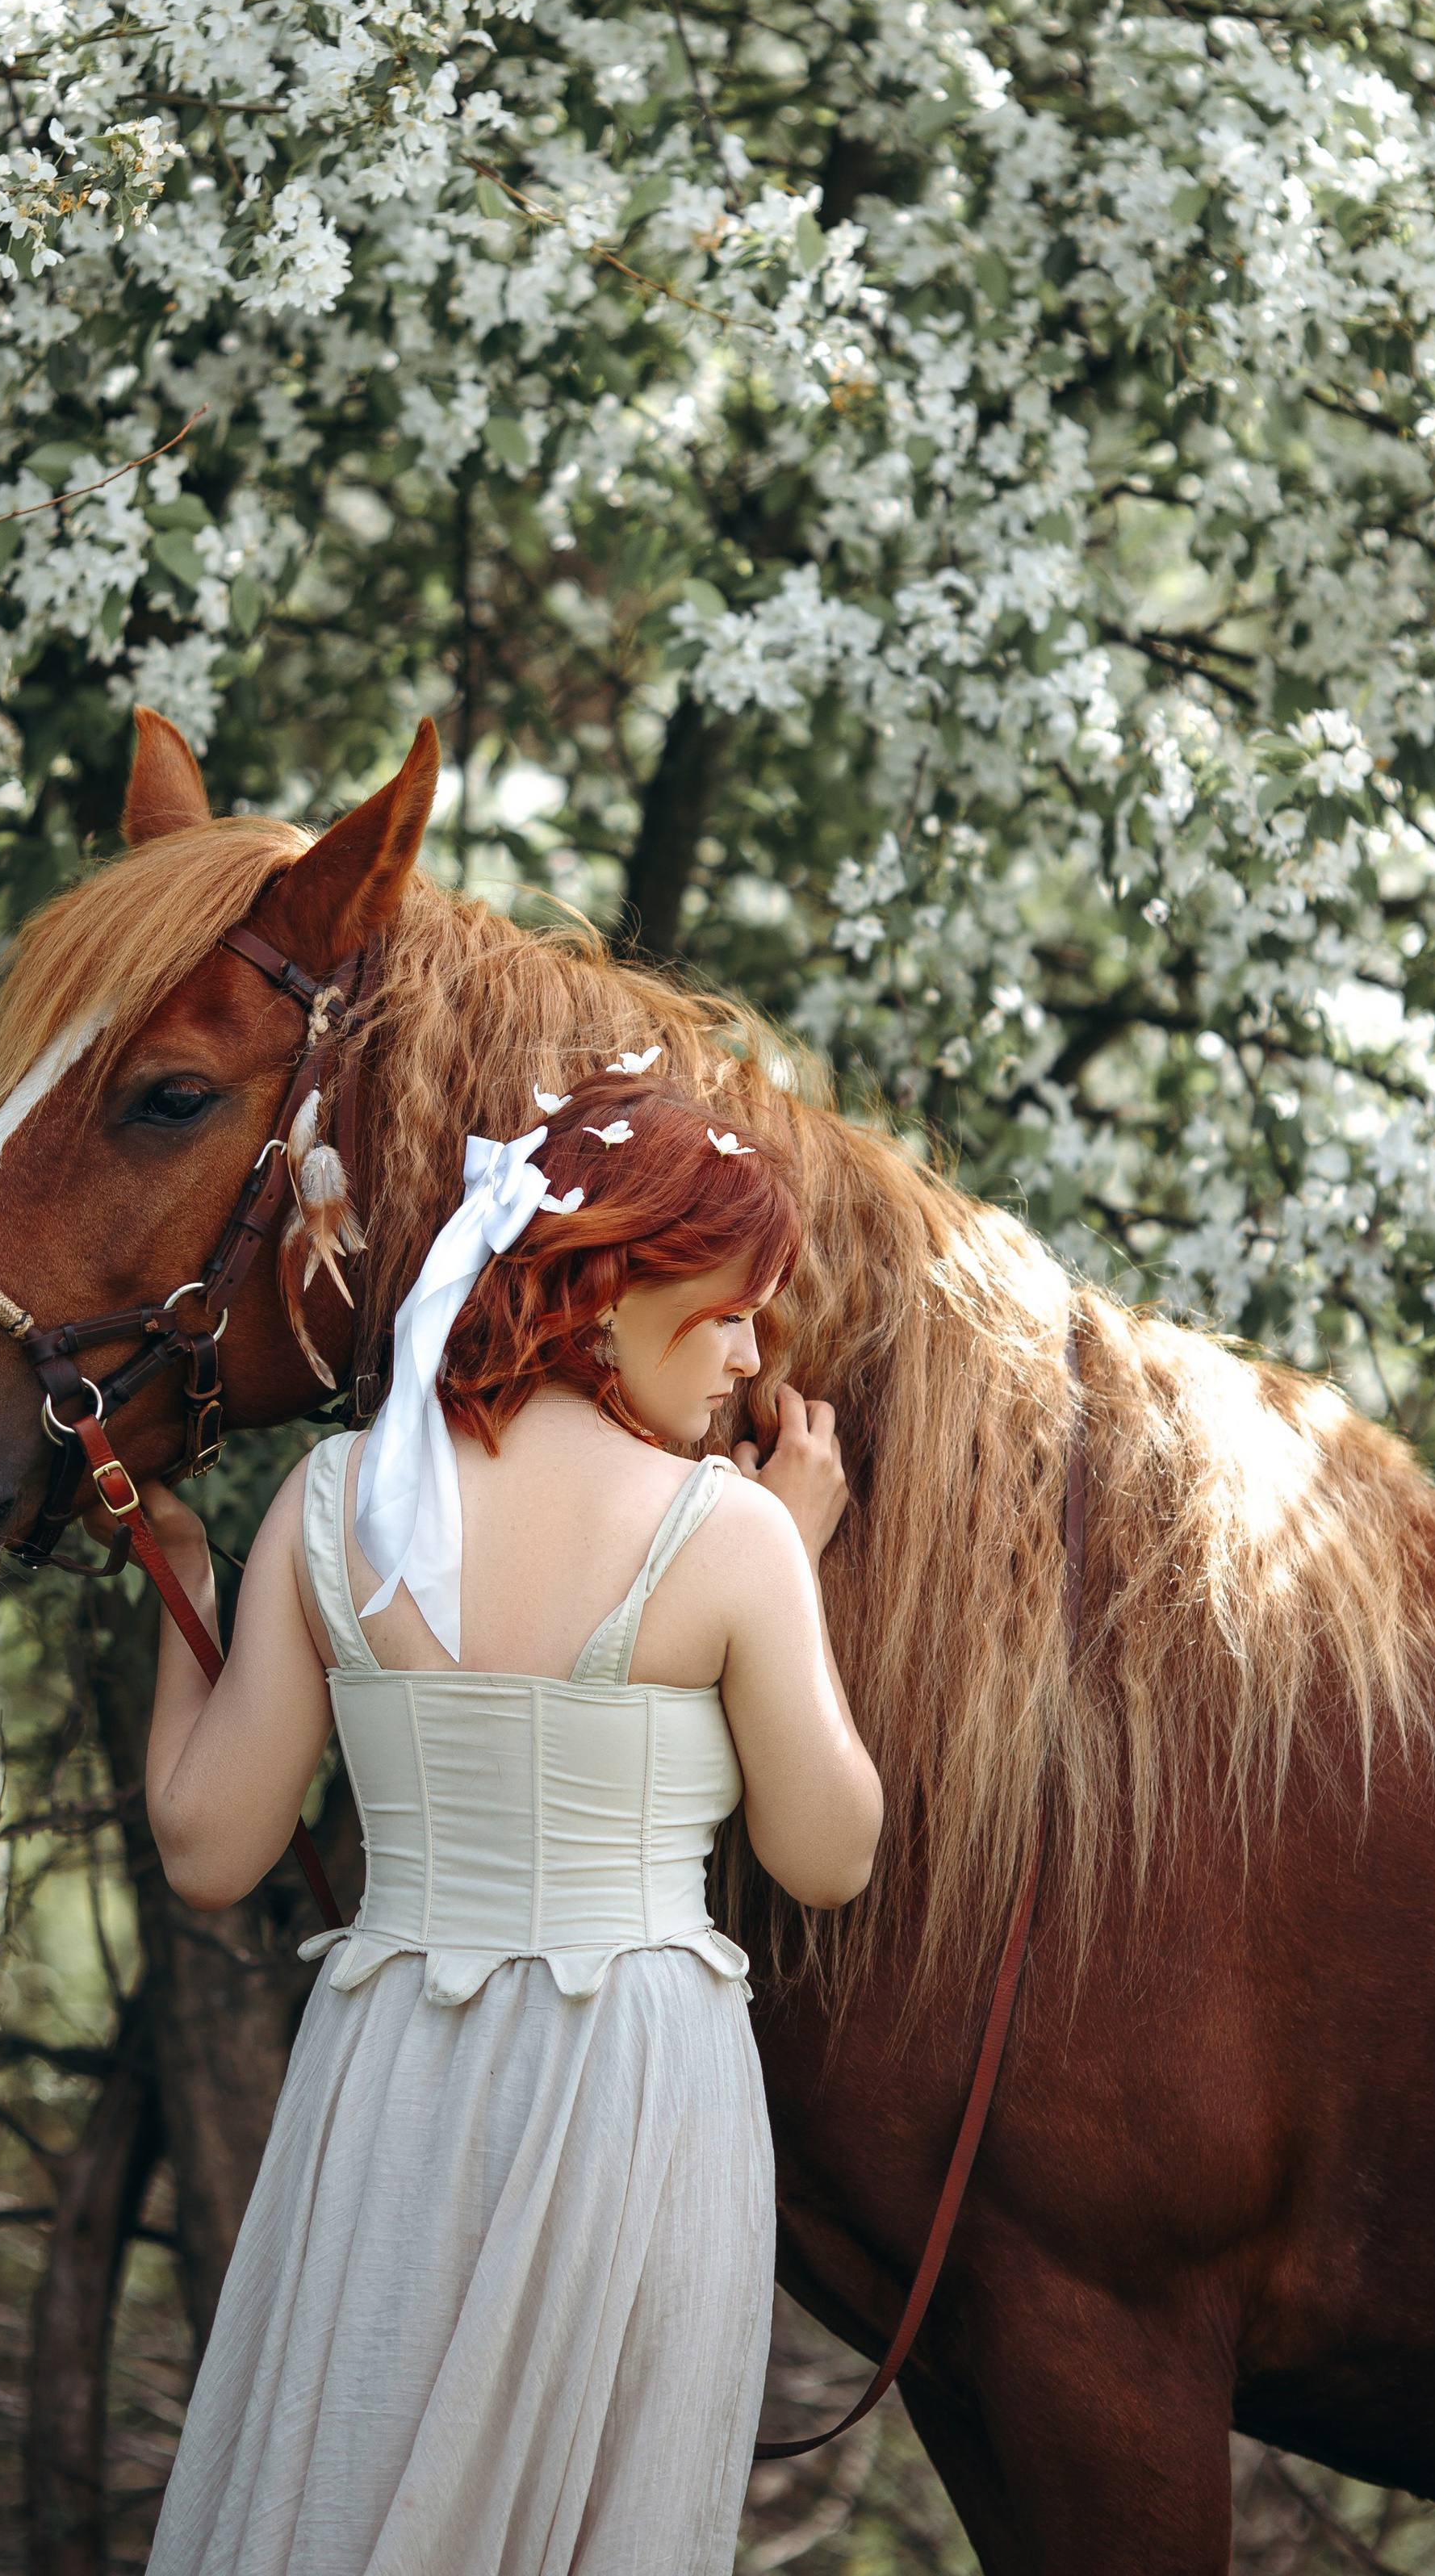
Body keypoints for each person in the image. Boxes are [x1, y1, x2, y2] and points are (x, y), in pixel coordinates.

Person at [139, 1068, 884, 2576]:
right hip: (632, 2092)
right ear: (609, 1291)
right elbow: (830, 1850)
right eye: (730, 1308)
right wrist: (786, 1562)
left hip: (393, 2071)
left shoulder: (338, 1497)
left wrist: (191, 1602)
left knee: (352, 2489)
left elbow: (207, 1847)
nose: (751, 1355)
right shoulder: (729, 1532)